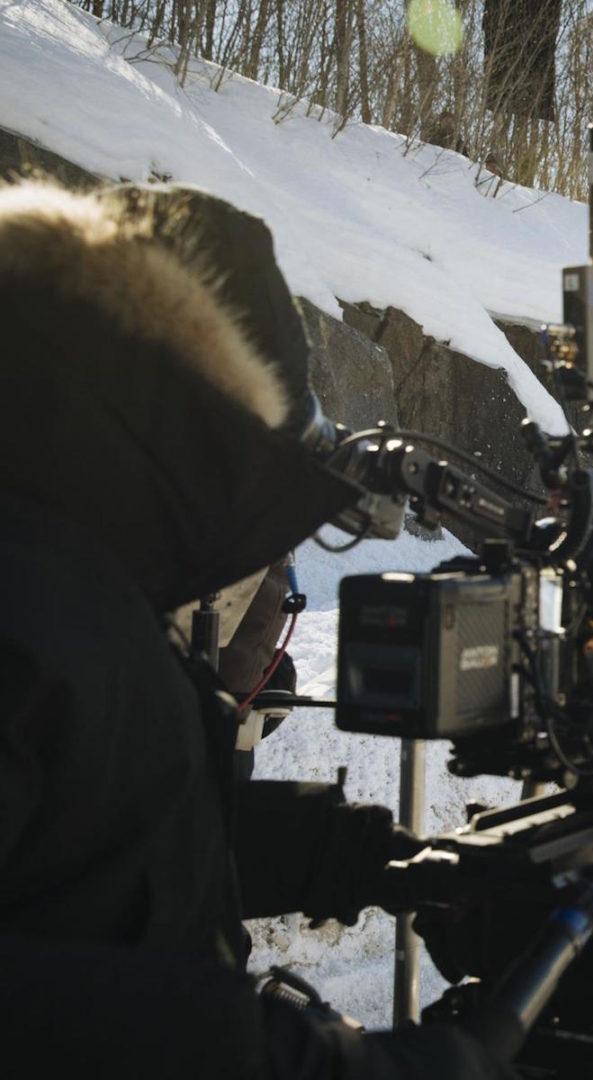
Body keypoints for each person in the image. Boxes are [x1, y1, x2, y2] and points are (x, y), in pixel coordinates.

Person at [0, 180, 511, 1078]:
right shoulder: (34, 595)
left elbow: (98, 850)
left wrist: (364, 858)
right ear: (202, 440)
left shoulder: (80, 576)